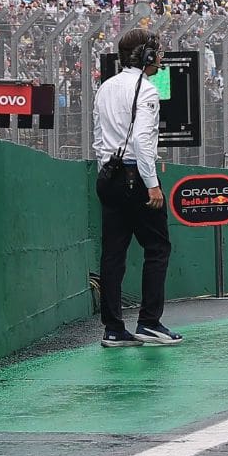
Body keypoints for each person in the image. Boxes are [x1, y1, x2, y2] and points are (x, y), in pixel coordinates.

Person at [91, 28, 180, 348]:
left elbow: (99, 139)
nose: (159, 57)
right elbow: (143, 141)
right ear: (144, 56)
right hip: (136, 177)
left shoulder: (105, 87)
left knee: (113, 254)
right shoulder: (147, 90)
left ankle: (113, 328)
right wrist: (152, 185)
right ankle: (149, 322)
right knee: (157, 248)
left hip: (108, 176)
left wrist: (105, 171)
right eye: (156, 51)